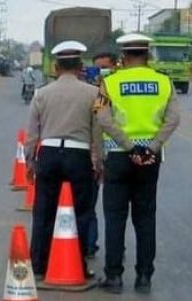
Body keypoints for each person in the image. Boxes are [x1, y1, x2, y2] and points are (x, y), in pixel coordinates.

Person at [95, 33, 181, 294]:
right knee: (145, 217)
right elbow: (173, 119)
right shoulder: (164, 82)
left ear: (123, 56)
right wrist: (150, 148)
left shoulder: (109, 82)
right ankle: (144, 277)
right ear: (148, 55)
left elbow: (102, 118)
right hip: (150, 158)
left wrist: (129, 146)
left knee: (115, 217)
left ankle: (114, 277)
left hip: (119, 156)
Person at [25, 41, 101, 279]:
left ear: (56, 67)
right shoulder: (95, 93)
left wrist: (29, 161)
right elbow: (97, 131)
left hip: (48, 154)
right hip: (78, 156)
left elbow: (32, 132)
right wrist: (97, 161)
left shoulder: (41, 93)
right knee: (81, 212)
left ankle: (38, 264)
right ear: (80, 67)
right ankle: (77, 264)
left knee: (44, 210)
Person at [81, 51, 117, 260]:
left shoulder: (115, 87)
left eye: (105, 67)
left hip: (117, 153)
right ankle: (89, 244)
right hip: (96, 154)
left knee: (115, 210)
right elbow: (94, 123)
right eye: (98, 68)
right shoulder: (92, 93)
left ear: (114, 67)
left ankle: (115, 253)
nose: (101, 72)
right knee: (89, 202)